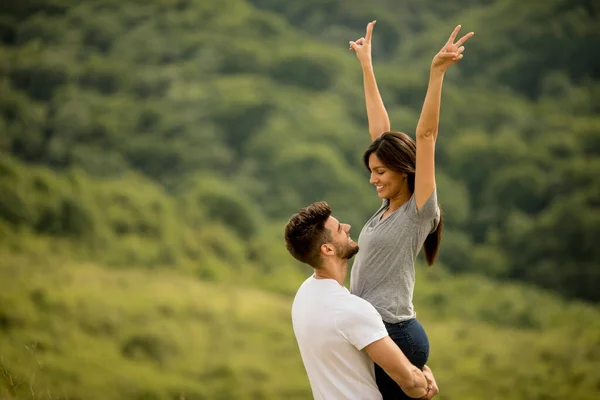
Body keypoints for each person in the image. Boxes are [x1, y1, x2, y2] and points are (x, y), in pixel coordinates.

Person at [348, 22, 474, 399]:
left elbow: (426, 135)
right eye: (371, 172)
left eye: (381, 172)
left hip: (396, 334)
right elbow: (380, 130)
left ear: (405, 171)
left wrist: (436, 73)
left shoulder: (419, 210)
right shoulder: (387, 208)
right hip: (379, 332)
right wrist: (366, 66)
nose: (373, 180)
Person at [284, 201, 438, 400]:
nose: (347, 227)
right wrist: (425, 379)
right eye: (339, 229)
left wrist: (418, 366)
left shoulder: (304, 294)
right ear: (327, 249)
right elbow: (408, 380)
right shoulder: (352, 310)